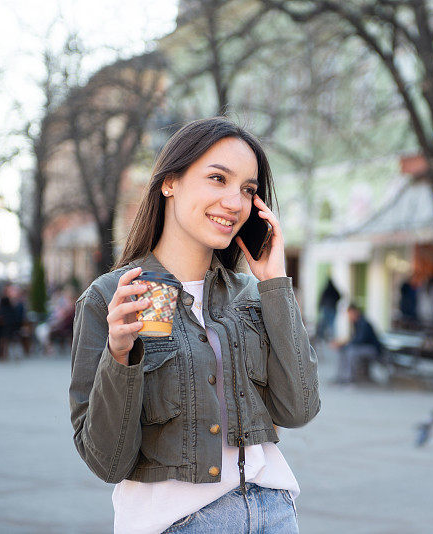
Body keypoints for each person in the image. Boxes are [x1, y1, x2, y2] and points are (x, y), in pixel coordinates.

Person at [68, 117, 320, 534]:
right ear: (170, 182)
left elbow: (300, 409)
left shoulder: (251, 294)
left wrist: (275, 284)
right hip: (180, 522)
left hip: (274, 512)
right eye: (217, 178)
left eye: (248, 190)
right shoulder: (115, 297)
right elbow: (107, 460)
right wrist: (119, 355)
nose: (235, 202)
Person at [331, 304, 383, 384]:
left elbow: (360, 340)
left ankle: (348, 379)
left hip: (372, 350)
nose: (349, 316)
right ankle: (341, 376)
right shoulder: (356, 323)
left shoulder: (364, 323)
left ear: (356, 312)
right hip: (363, 348)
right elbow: (354, 339)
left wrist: (344, 344)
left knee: (351, 352)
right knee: (343, 350)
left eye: (350, 314)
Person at [315, 278, 340, 342]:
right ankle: (331, 338)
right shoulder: (334, 290)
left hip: (327, 309)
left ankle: (325, 337)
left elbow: (321, 300)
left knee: (326, 323)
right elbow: (339, 296)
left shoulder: (326, 290)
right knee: (331, 324)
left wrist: (320, 308)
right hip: (332, 309)